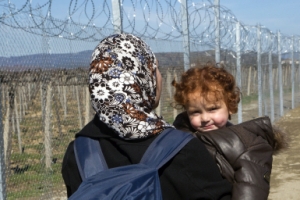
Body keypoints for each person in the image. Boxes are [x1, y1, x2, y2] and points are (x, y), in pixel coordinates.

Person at [61, 33, 232, 199]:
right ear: (142, 78)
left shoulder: (78, 153)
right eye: (155, 68)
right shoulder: (183, 150)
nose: (160, 77)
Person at [172, 63, 286, 200]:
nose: (204, 118)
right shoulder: (180, 137)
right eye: (195, 112)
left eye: (212, 109)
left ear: (230, 107)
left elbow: (251, 189)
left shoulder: (245, 145)